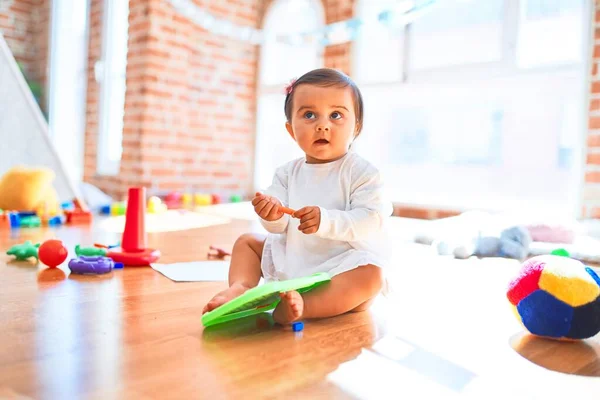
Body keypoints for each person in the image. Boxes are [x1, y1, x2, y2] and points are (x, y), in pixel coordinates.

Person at [203, 68, 393, 324]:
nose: (322, 124)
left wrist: (325, 221)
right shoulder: (286, 173)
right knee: (247, 242)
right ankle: (241, 287)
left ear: (355, 127)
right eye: (309, 115)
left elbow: (371, 219)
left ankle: (305, 306)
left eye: (336, 115)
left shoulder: (363, 173)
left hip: (342, 267)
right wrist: (270, 213)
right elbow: (278, 224)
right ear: (291, 130)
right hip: (293, 259)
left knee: (372, 275)